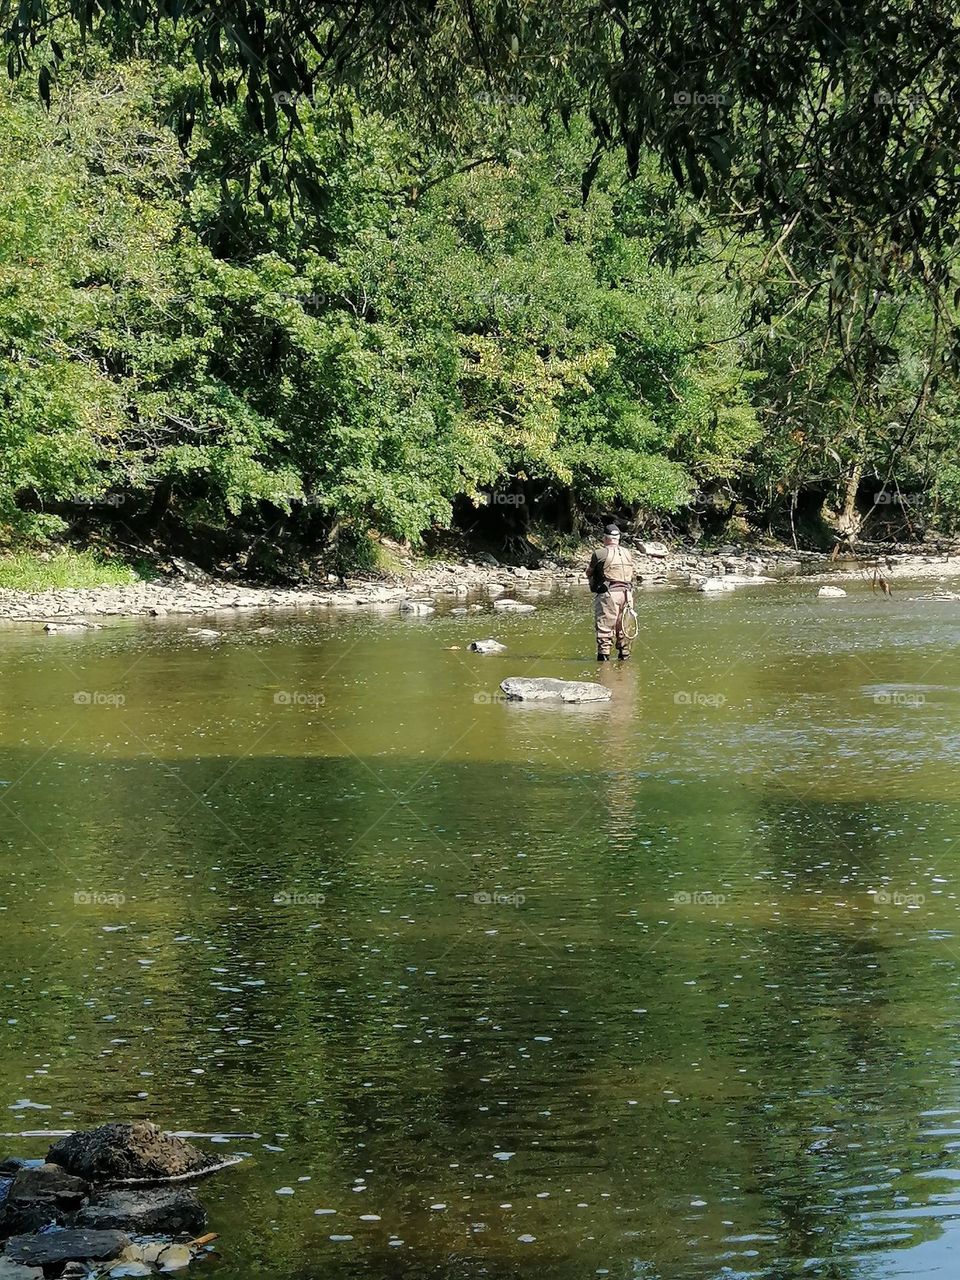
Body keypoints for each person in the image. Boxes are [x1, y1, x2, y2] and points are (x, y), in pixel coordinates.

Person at [587, 523, 636, 661]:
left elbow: (589, 572)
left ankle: (603, 664)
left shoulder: (599, 553)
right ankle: (624, 657)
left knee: (604, 628)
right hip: (627, 594)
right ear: (618, 539)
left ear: (605, 538)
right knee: (624, 627)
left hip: (609, 594)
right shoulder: (628, 553)